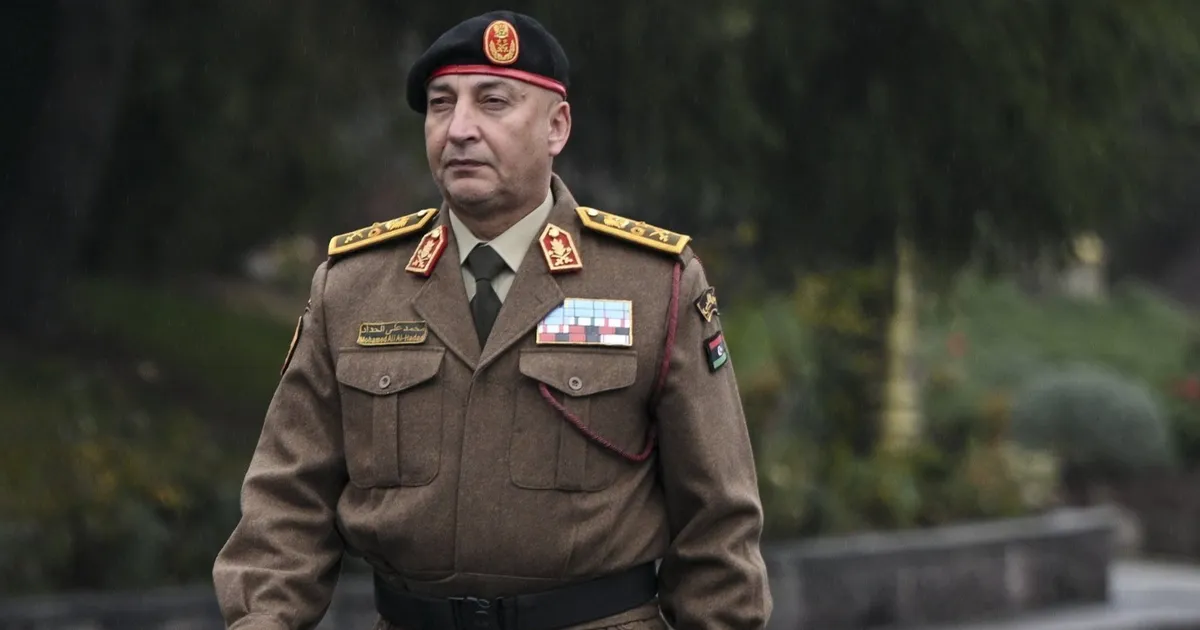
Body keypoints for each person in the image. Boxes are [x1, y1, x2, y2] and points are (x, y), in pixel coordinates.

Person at [212, 10, 772, 630]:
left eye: (493, 102)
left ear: (556, 126)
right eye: (441, 105)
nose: (459, 129)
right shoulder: (354, 287)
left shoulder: (650, 284)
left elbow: (718, 521)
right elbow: (286, 504)